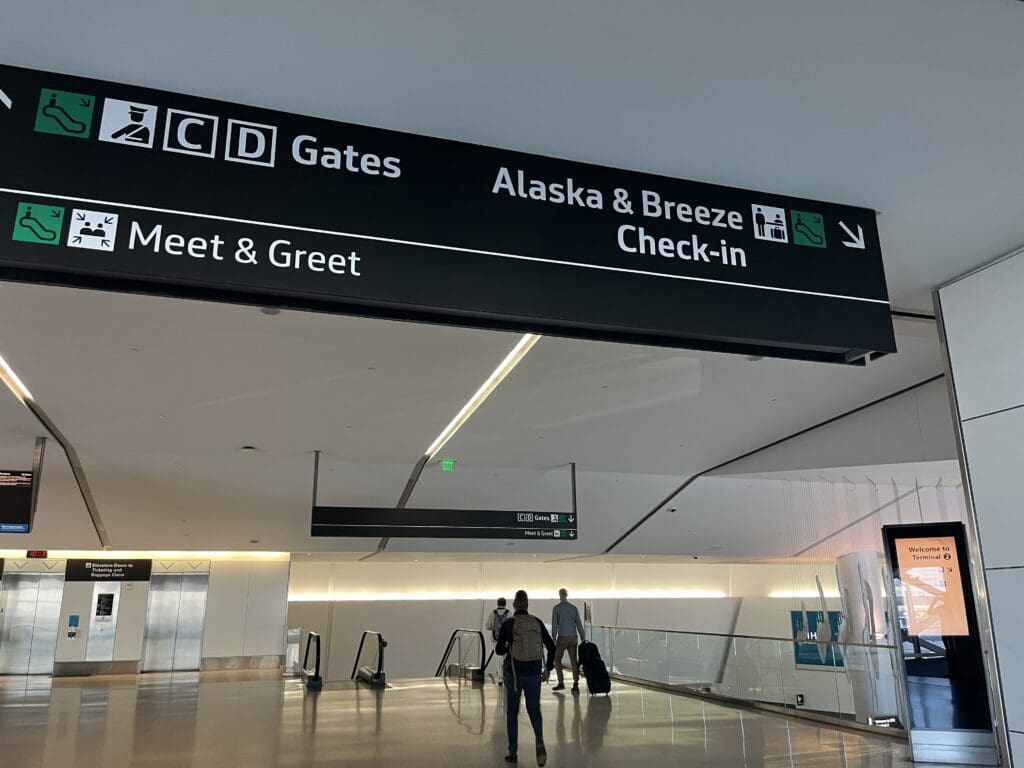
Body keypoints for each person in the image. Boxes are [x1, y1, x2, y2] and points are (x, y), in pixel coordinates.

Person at [495, 590, 555, 766]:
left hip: (514, 673)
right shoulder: (536, 622)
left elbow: (499, 650)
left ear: (514, 605)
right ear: (528, 604)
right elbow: (551, 647)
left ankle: (513, 753)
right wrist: (548, 668)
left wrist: (509, 647)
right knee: (534, 709)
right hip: (534, 672)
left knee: (512, 713)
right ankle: (539, 738)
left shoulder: (509, 623)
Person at [551, 588, 586, 692]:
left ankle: (561, 682)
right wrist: (583, 638)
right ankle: (575, 684)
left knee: (557, 658)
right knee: (573, 661)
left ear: (559, 595)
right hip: (573, 638)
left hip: (563, 638)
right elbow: (579, 624)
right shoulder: (573, 608)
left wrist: (553, 638)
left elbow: (554, 625)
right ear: (567, 595)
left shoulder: (556, 608)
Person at [485, 597, 511, 685]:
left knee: (498, 658)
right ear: (505, 604)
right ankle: (505, 676)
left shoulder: (493, 613)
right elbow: (511, 626)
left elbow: (488, 626)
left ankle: (500, 677)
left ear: (497, 603)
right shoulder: (509, 613)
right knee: (505, 658)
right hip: (506, 640)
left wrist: (494, 627)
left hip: (495, 639)